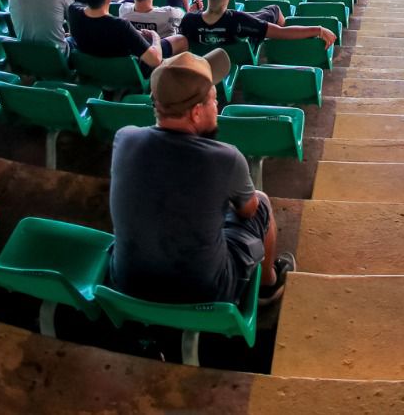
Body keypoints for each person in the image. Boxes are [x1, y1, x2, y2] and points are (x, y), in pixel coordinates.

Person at [109, 47, 294, 305]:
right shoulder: (226, 158)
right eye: (213, 99)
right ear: (196, 112)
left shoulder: (125, 138)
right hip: (203, 291)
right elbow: (248, 211)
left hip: (127, 280)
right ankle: (268, 284)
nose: (217, 105)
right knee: (261, 201)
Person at [179, 0, 335, 54]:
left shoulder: (188, 21)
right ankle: (278, 53)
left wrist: (192, 13)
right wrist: (318, 29)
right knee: (274, 9)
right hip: (242, 38)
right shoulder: (238, 20)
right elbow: (282, 32)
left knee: (266, 13)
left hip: (206, 60)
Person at [69, 0, 162, 69]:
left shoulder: (73, 12)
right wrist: (156, 37)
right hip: (121, 81)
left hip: (90, 73)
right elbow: (155, 60)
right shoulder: (121, 26)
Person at [118, 0, 192, 58]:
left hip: (137, 55)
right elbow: (185, 15)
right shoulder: (170, 13)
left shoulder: (123, 10)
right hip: (164, 56)